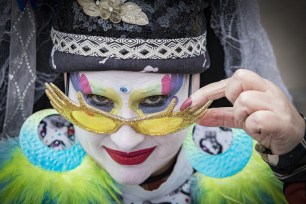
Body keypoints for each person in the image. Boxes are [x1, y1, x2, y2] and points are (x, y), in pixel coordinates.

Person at [0, 0, 305, 203]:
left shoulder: (256, 174)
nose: (126, 140)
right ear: (65, 89)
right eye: (95, 99)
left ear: (198, 86)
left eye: (156, 99)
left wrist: (294, 163)